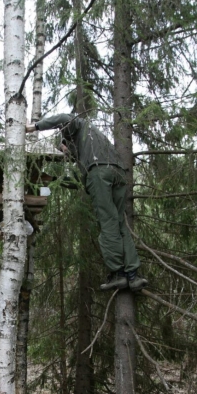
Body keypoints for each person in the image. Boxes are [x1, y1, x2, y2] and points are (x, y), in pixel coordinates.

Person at [26, 114, 148, 292]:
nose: (64, 151)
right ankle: (133, 275)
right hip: (119, 173)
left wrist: (35, 127)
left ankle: (118, 274)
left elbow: (65, 118)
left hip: (100, 173)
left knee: (108, 222)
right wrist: (53, 181)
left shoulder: (78, 126)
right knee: (120, 223)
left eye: (64, 146)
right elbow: (81, 181)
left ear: (67, 138)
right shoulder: (92, 142)